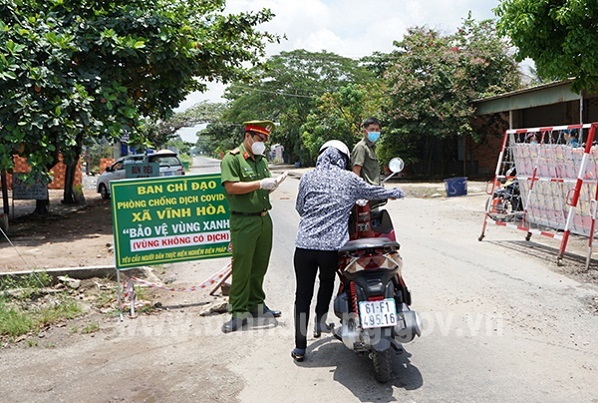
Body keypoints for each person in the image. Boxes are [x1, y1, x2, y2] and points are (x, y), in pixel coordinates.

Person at [291, 140, 406, 361]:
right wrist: (397, 192)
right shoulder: (349, 179)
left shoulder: (307, 177)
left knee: (302, 294)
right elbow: (374, 192)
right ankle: (320, 321)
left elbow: (300, 208)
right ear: (343, 159)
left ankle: (300, 347)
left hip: (304, 246)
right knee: (327, 281)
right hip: (332, 249)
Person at [220, 120, 286, 333]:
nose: (263, 143)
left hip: (264, 219)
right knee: (242, 268)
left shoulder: (261, 160)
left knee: (259, 266)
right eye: (260, 139)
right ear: (248, 136)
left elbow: (262, 190)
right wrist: (259, 184)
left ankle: (257, 305)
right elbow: (231, 187)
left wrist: (271, 185)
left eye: (265, 140)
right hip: (244, 220)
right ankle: (238, 312)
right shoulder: (232, 159)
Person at [351, 117, 382, 185]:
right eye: (371, 129)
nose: (375, 132)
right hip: (367, 191)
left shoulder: (372, 148)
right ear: (365, 132)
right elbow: (356, 172)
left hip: (375, 190)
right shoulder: (361, 147)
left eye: (377, 130)